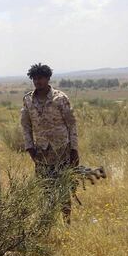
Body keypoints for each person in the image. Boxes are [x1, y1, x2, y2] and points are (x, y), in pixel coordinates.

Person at [20, 63, 79, 223]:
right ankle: (47, 223)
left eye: (41, 78)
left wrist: (74, 150)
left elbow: (71, 125)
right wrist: (29, 147)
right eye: (35, 78)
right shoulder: (27, 100)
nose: (38, 81)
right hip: (41, 153)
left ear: (47, 78)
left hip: (62, 150)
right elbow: (25, 125)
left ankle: (67, 222)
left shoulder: (60, 98)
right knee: (44, 188)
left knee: (63, 187)